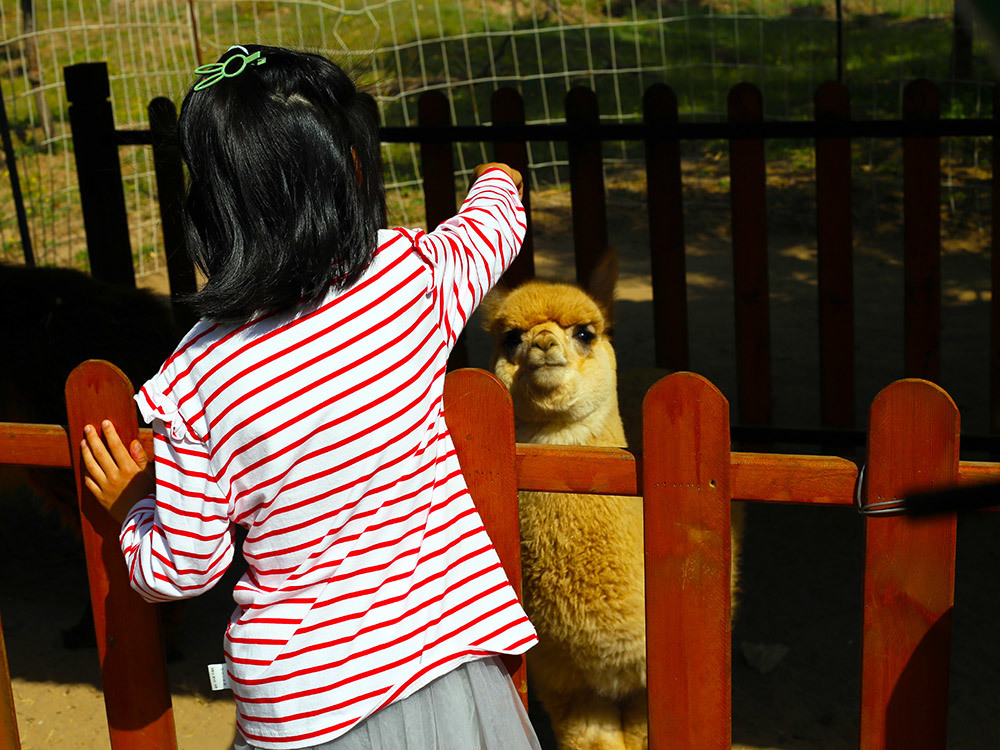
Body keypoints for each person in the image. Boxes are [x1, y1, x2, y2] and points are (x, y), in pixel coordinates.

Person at [80, 44, 540, 750]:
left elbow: (182, 569)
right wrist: (499, 181)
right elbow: (492, 230)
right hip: (444, 664)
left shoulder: (196, 377)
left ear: (210, 210)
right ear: (351, 169)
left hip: (307, 705)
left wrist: (133, 510)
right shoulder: (409, 279)